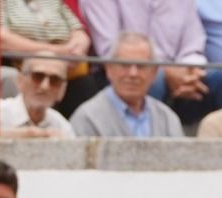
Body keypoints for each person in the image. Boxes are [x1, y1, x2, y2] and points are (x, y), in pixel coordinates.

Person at [79, 0, 208, 123]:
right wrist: (166, 71)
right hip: (121, 71)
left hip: (181, 72)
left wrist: (189, 73)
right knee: (152, 77)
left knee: (216, 78)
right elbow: (109, 51)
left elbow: (194, 46)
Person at [69, 32, 185, 137]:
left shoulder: (167, 119)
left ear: (154, 72)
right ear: (109, 69)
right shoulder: (88, 119)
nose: (133, 73)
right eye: (124, 65)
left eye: (141, 66)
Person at [0, 52, 74, 137]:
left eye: (54, 80)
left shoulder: (62, 126)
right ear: (20, 80)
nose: (45, 86)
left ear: (63, 89)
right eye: (37, 76)